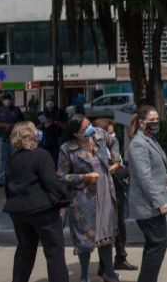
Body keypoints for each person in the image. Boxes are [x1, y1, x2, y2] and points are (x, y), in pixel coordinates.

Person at [3, 121, 71, 282]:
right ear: (31, 135)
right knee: (54, 252)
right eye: (35, 130)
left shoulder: (13, 158)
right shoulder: (41, 155)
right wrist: (64, 200)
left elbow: (8, 187)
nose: (38, 132)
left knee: (24, 251)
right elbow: (51, 182)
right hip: (42, 210)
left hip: (18, 210)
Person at [57, 114, 122, 282]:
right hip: (83, 199)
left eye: (89, 125)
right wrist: (84, 177)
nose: (89, 129)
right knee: (85, 239)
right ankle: (84, 276)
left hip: (106, 192)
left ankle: (109, 272)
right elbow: (62, 176)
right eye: (84, 128)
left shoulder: (99, 134)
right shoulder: (67, 148)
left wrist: (116, 159)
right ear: (75, 133)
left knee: (106, 233)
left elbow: (114, 141)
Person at [128, 106, 167, 282]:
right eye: (152, 120)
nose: (156, 123)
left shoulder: (150, 139)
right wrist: (159, 202)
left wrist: (166, 177)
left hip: (152, 203)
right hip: (147, 205)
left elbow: (156, 166)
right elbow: (144, 177)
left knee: (155, 244)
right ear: (141, 123)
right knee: (158, 244)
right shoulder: (138, 144)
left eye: (157, 119)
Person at [94, 118, 138, 271]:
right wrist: (119, 167)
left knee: (120, 225)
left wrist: (119, 165)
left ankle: (121, 257)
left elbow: (117, 163)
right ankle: (103, 264)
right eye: (109, 132)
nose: (112, 136)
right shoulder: (94, 148)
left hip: (117, 190)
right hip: (104, 192)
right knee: (105, 228)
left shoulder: (112, 146)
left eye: (112, 132)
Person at [0, 93, 24, 187]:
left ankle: (16, 178)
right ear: (3, 101)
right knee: (3, 159)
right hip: (2, 137)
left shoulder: (17, 110)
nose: (7, 101)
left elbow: (22, 122)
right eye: (5, 99)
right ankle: (2, 180)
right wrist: (5, 125)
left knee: (15, 158)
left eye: (9, 99)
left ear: (12, 100)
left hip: (14, 138)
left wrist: (13, 125)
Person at [37, 97, 67, 166]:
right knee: (44, 162)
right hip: (44, 142)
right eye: (48, 100)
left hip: (57, 141)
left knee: (56, 161)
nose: (50, 102)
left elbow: (65, 126)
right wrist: (42, 125)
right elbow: (36, 128)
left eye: (51, 100)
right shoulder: (41, 113)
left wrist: (56, 123)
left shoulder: (60, 112)